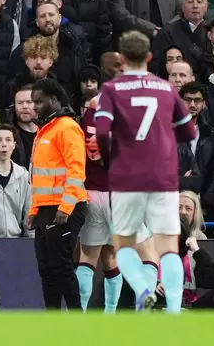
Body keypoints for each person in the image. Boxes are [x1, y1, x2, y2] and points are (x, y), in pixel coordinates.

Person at [94, 30, 197, 313]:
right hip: (162, 177)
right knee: (168, 249)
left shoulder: (112, 90)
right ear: (150, 58)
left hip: (127, 177)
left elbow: (102, 132)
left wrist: (109, 157)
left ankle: (143, 290)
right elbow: (188, 131)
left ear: (122, 59)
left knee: (125, 247)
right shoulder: (166, 88)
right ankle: (174, 310)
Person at [77, 85, 159, 313]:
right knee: (149, 255)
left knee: (92, 257)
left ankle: (84, 314)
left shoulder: (85, 123)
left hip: (91, 195)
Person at [27, 78, 88, 310]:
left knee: (61, 268)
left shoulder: (67, 127)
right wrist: (34, 210)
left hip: (64, 208)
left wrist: (66, 206)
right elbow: (39, 178)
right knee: (46, 268)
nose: (35, 107)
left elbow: (76, 170)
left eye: (39, 102)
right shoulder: (45, 131)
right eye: (33, 102)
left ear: (53, 100)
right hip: (46, 208)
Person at [150, 0, 208, 73]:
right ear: (182, 6)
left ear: (206, 6)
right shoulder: (167, 32)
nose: (195, 6)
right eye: (190, 2)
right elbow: (157, 65)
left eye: (199, 2)